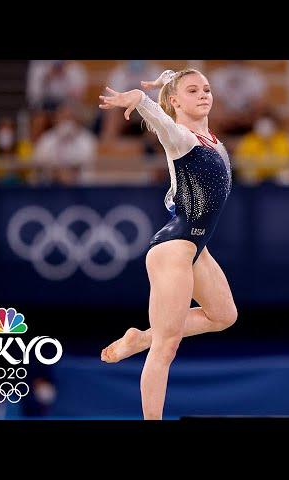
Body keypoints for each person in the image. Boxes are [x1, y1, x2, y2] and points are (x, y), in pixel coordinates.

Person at [98, 69, 238, 420]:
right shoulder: (182, 139)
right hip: (174, 248)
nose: (204, 94)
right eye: (193, 91)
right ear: (176, 102)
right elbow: (162, 123)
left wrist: (171, 79)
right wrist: (143, 100)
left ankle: (138, 338)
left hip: (195, 247)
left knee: (223, 315)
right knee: (166, 346)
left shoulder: (210, 139)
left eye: (207, 88)